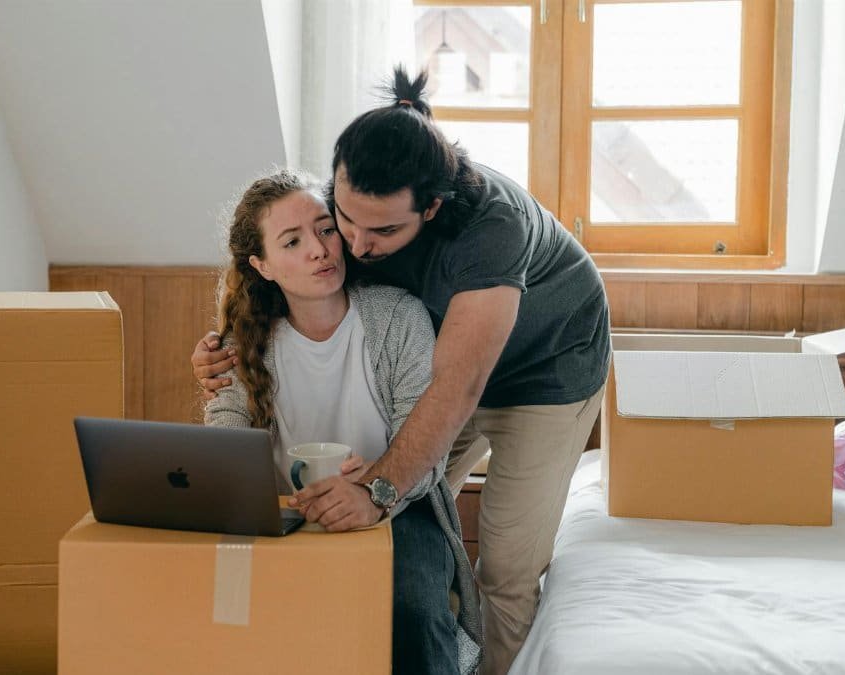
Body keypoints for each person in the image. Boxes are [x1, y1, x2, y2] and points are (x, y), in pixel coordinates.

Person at [194, 68, 611, 674]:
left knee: (506, 566)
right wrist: (217, 351)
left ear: (432, 208)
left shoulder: (492, 230)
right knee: (423, 509)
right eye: (344, 218)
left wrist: (375, 489)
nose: (354, 246)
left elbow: (458, 389)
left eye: (383, 231)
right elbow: (277, 270)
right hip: (437, 363)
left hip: (546, 370)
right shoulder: (354, 205)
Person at [202, 169, 482, 674]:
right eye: (292, 241)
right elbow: (226, 432)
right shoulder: (242, 343)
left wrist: (375, 491)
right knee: (235, 611)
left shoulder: (399, 317)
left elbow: (428, 445)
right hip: (285, 515)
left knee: (414, 612)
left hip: (398, 508)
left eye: (324, 228)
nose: (319, 249)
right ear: (262, 266)